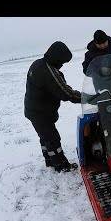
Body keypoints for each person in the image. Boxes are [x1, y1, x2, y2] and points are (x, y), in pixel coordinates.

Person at [24, 41, 83, 173]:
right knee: (52, 139)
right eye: (62, 62)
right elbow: (65, 92)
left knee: (44, 137)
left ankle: (49, 161)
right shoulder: (48, 71)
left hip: (34, 110)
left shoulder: (38, 63)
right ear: (57, 58)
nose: (62, 65)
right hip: (41, 113)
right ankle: (61, 165)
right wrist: (85, 98)